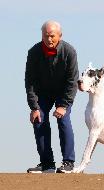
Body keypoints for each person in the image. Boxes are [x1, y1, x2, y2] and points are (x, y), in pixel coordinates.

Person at [25, 20, 79, 173]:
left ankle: (68, 163)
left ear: (59, 36)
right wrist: (34, 107)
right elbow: (30, 82)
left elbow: (72, 81)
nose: (49, 39)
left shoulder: (69, 52)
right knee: (39, 118)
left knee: (63, 119)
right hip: (43, 93)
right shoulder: (34, 52)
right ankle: (47, 164)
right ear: (42, 36)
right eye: (46, 36)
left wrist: (63, 105)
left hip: (63, 93)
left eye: (52, 36)